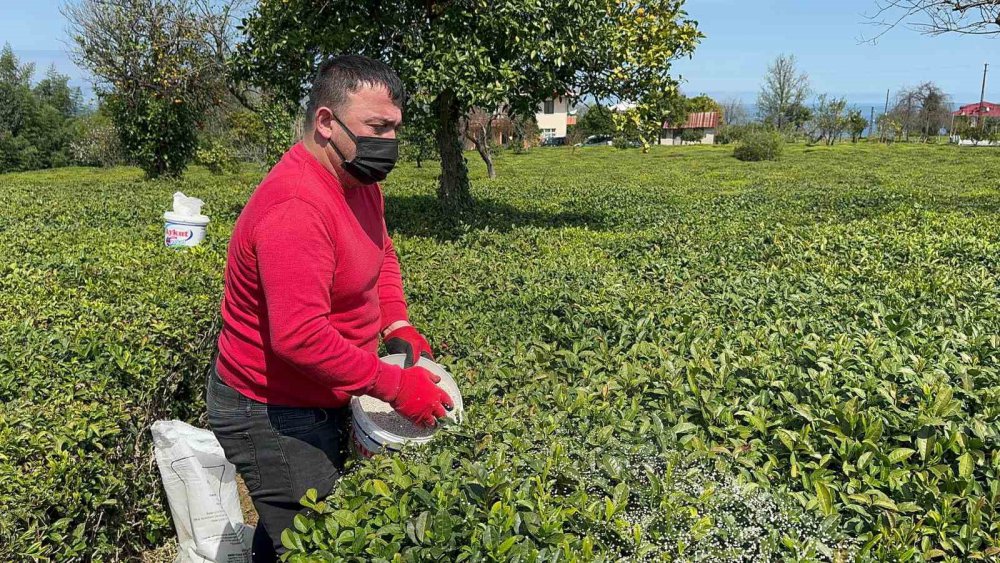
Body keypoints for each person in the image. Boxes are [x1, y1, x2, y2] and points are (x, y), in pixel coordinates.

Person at [206, 55, 454, 561]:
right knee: (318, 541)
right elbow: (299, 337)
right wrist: (394, 385)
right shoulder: (296, 207)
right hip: (271, 410)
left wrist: (396, 319)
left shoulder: (359, 182)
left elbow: (380, 249)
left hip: (325, 390)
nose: (388, 143)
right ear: (326, 123)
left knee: (292, 525)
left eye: (394, 128)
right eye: (376, 127)